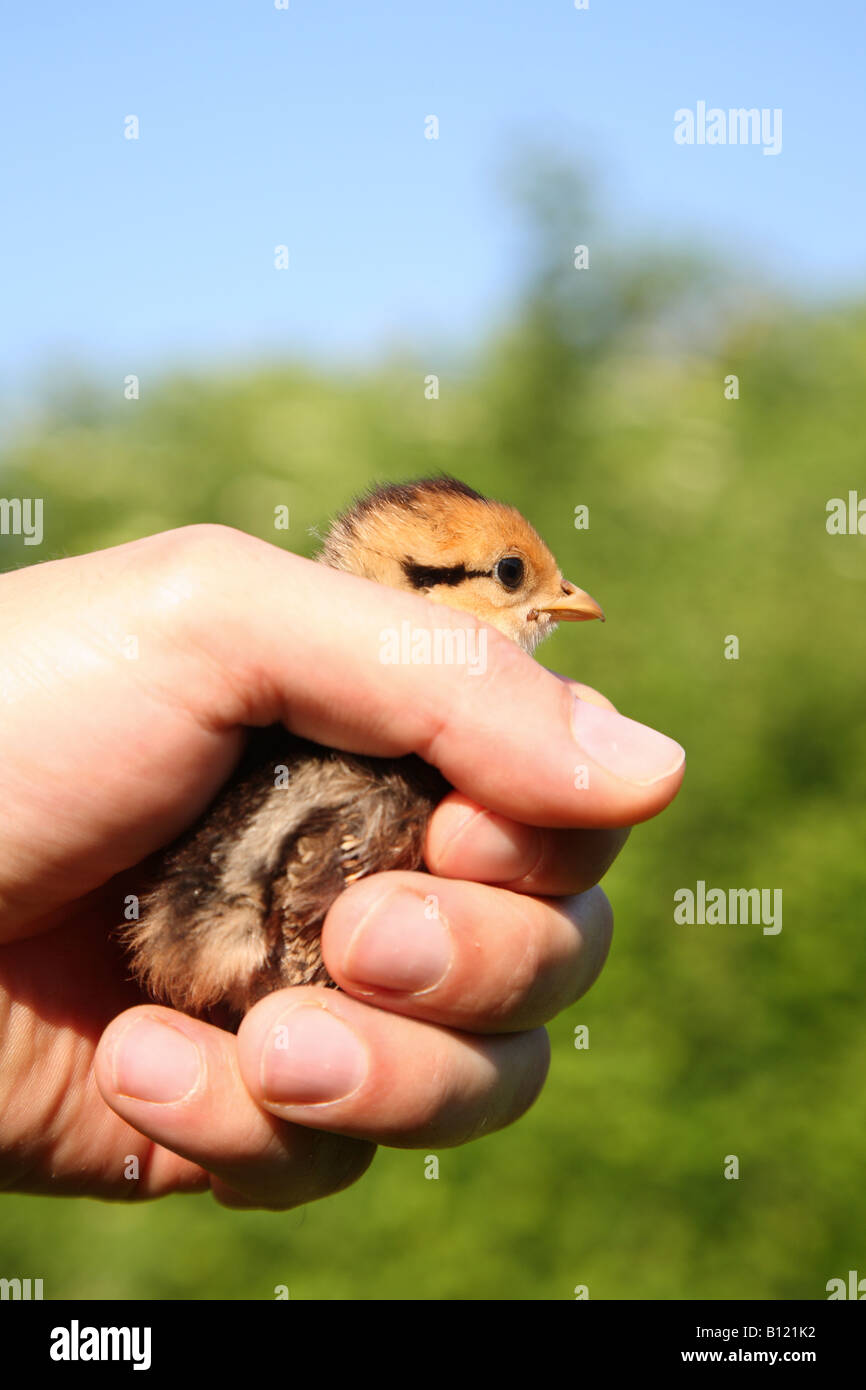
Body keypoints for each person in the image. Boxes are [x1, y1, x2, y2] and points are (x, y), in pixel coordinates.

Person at [0, 525, 684, 1209]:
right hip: (200, 958)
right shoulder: (343, 714)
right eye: (510, 575)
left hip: (165, 965)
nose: (565, 598)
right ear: (414, 580)